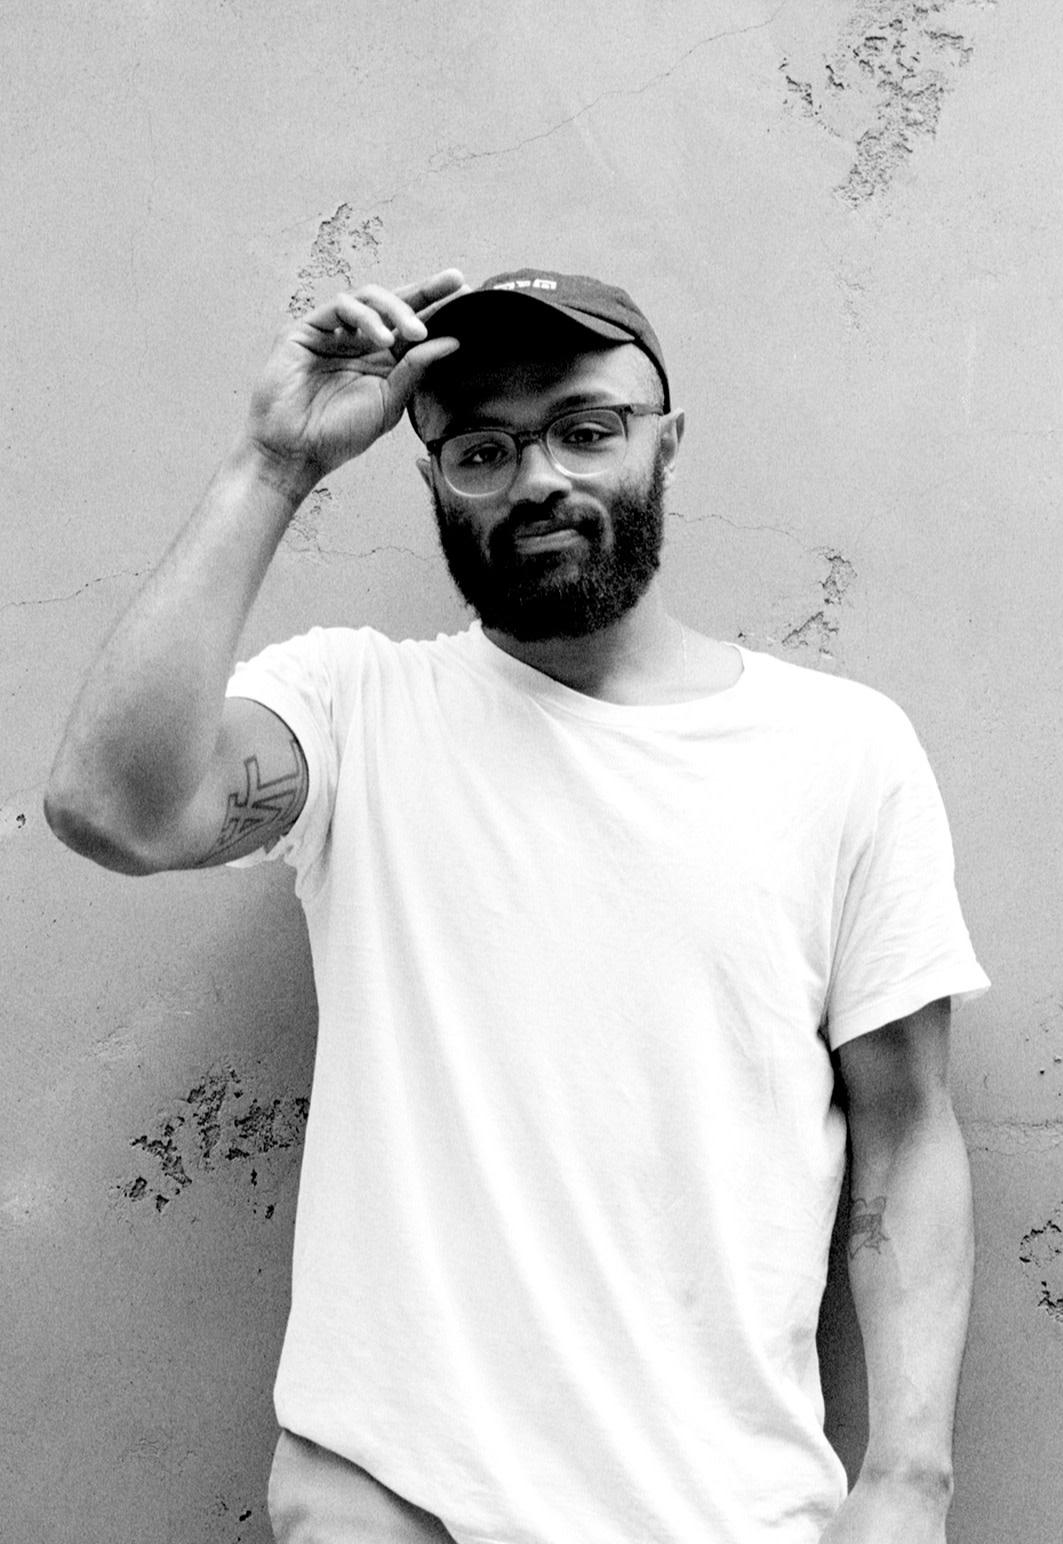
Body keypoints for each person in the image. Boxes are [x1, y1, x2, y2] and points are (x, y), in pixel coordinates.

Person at [45, 266, 990, 1544]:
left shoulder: (841, 751)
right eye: (482, 449)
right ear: (434, 479)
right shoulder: (355, 711)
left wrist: (909, 1478)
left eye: (584, 428)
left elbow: (908, 1127)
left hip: (727, 1512)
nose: (538, 476)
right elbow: (113, 808)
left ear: (665, 441)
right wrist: (273, 463)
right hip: (397, 1503)